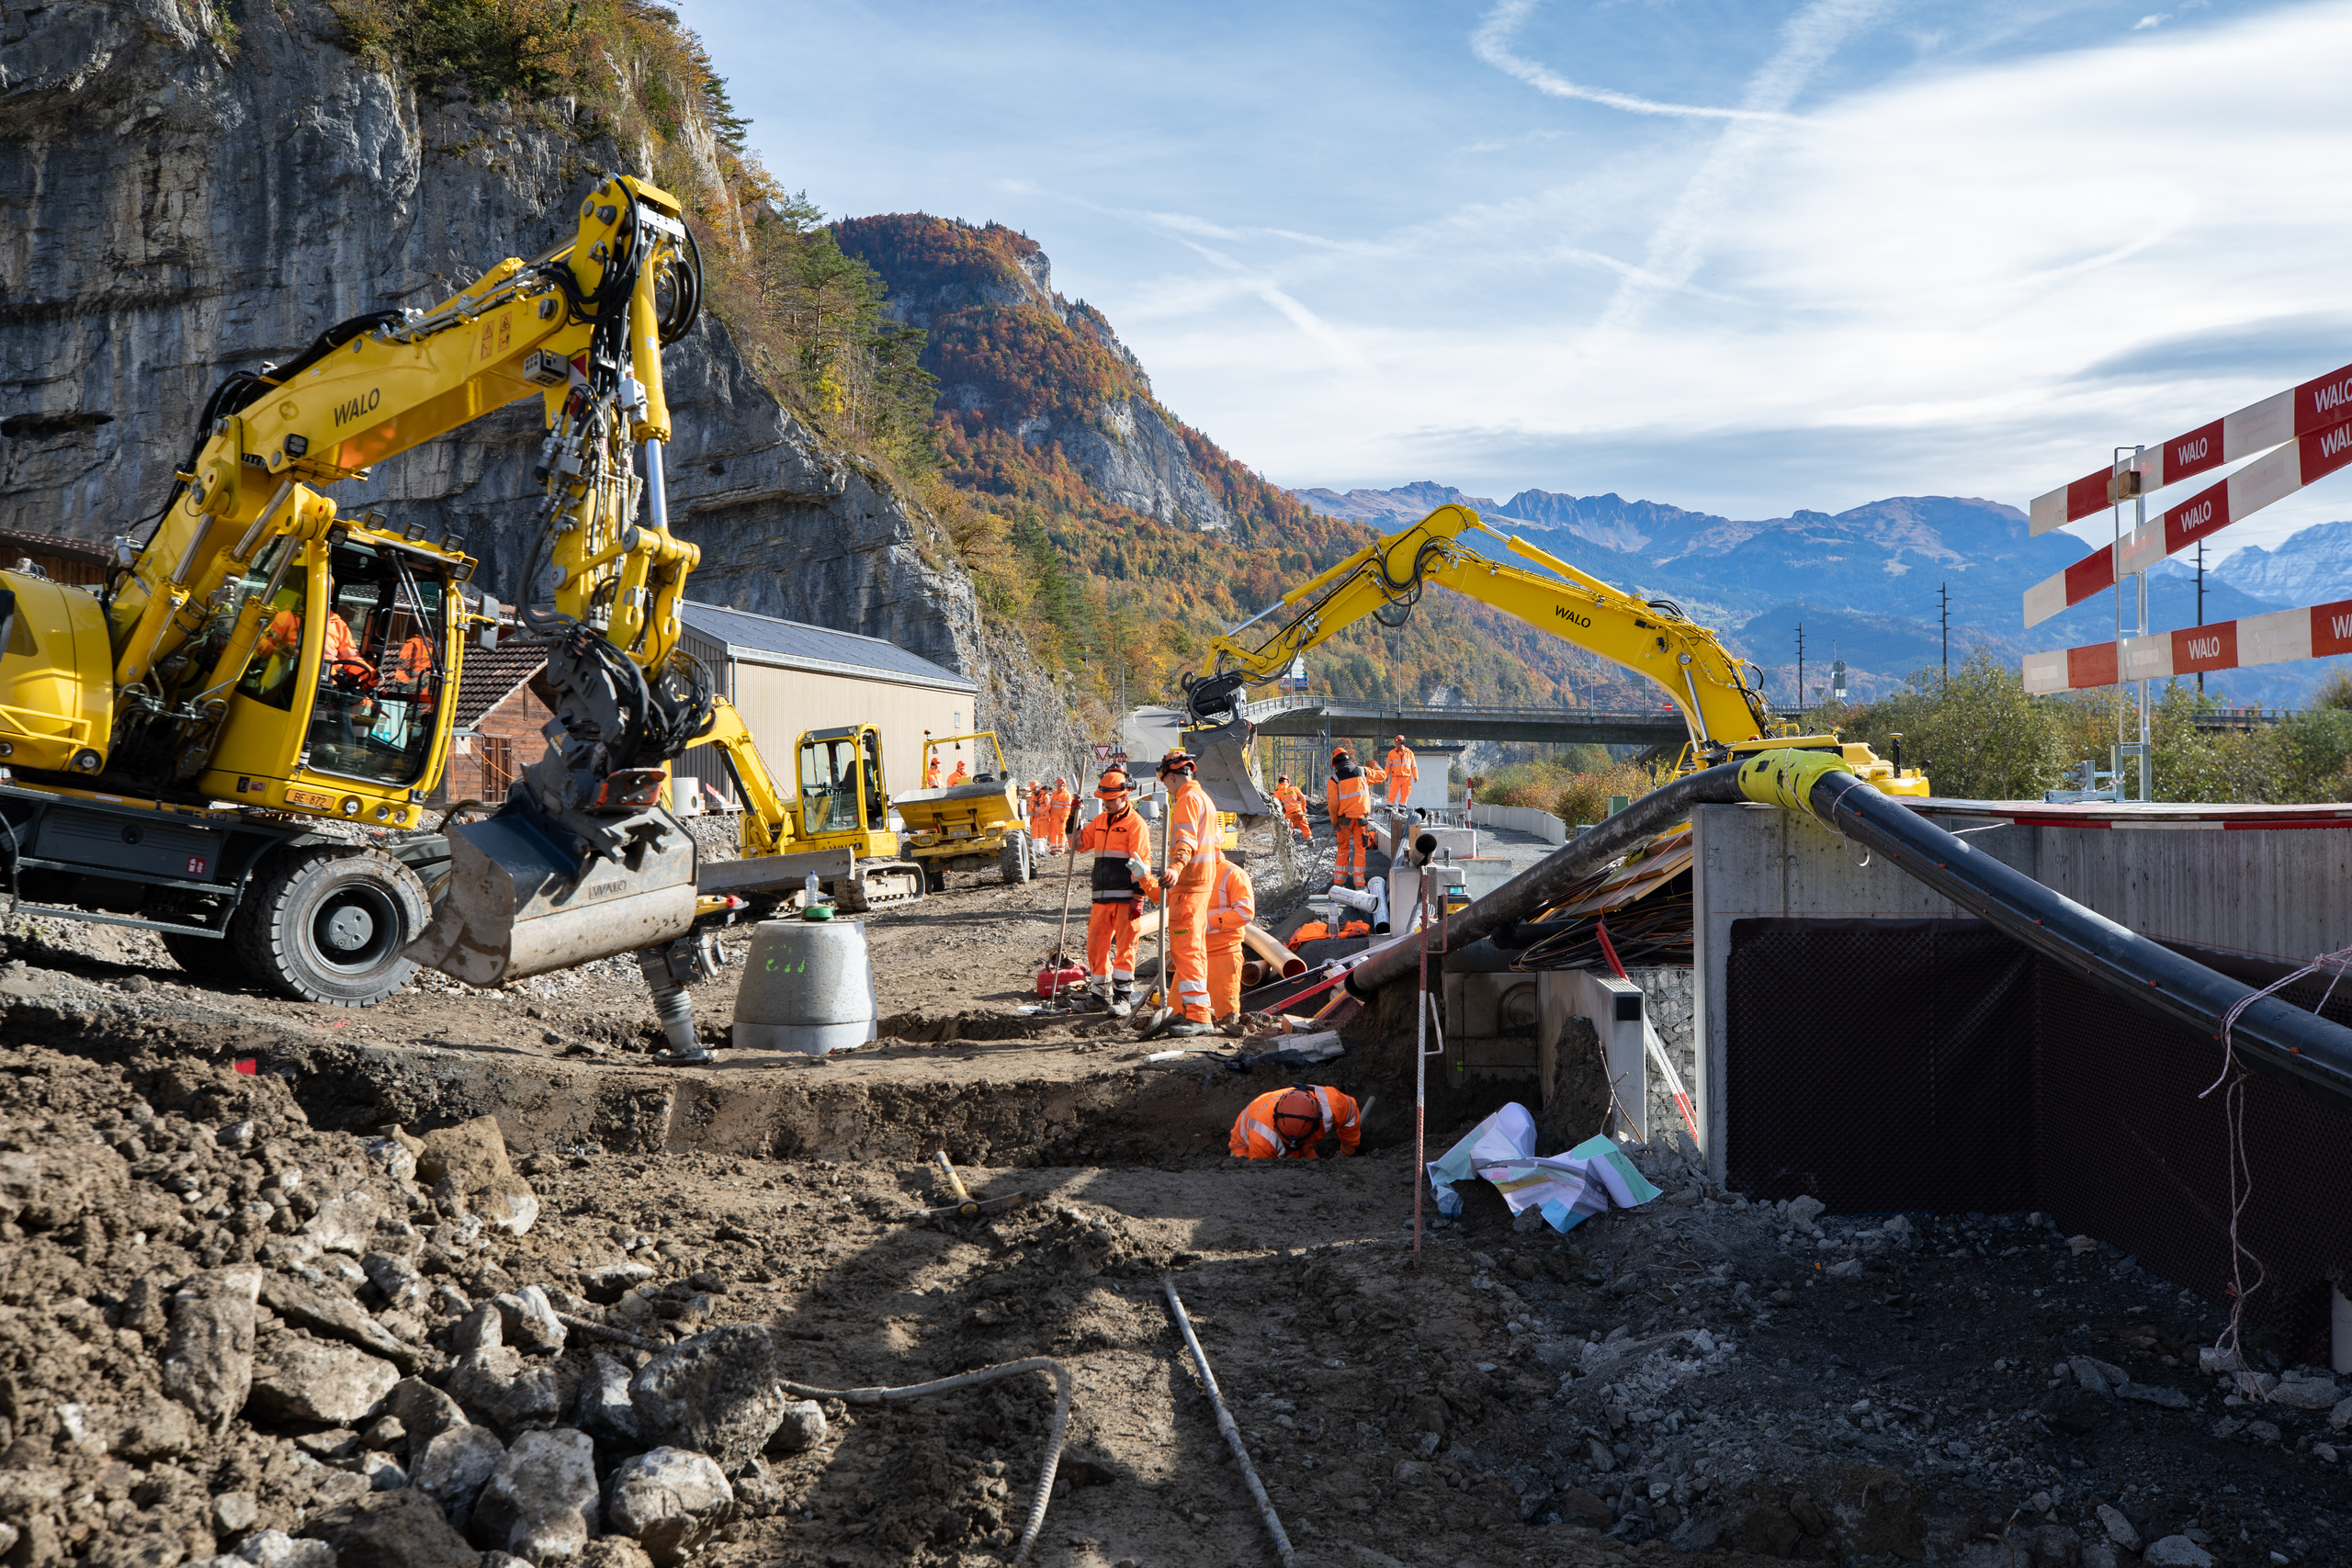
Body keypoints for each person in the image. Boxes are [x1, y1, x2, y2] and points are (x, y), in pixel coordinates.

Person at [1077, 768, 1157, 1016]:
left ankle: (1122, 998)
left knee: (1126, 947)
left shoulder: (1136, 825)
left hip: (1125, 898)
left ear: (1124, 797)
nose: (1106, 803)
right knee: (1096, 945)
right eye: (1103, 799)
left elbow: (1141, 864)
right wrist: (1072, 816)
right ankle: (1099, 995)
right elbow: (1078, 844)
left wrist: (1138, 897)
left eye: (1110, 800)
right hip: (1101, 898)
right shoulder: (1100, 822)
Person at [1156, 746, 1221, 1036]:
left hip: (1189, 886)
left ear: (1171, 776)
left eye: (1165, 782)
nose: (1167, 789)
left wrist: (1175, 868)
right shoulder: (1205, 799)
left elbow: (1185, 840)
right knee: (1194, 950)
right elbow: (1215, 845)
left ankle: (1198, 1016)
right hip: (1201, 884)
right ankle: (1194, 1010)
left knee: (1187, 951)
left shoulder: (1187, 800)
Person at [1229, 1085, 1363, 1159]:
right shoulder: (1263, 1137)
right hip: (1246, 1145)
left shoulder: (1332, 1105)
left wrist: (1346, 1152)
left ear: (1316, 1124)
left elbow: (1351, 1114)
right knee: (1244, 1174)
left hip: (1304, 1145)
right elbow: (1264, 1177)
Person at [1204, 855, 1256, 1031]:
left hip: (1224, 953)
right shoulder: (1190, 873)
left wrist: (1211, 922)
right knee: (1187, 1012)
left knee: (1227, 1017)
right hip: (1194, 954)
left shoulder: (1232, 873)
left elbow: (1245, 912)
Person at [1326, 746, 1374, 890]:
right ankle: (1360, 885)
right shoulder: (1363, 771)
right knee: (1360, 850)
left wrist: (1334, 822)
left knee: (1343, 849)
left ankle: (1339, 884)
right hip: (1361, 820)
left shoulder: (1334, 778)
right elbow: (1382, 775)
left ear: (1335, 762)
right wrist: (1374, 764)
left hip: (1344, 821)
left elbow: (1333, 804)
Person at [1384, 735, 1419, 808]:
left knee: (1405, 796)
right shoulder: (1391, 753)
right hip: (1396, 777)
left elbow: (1414, 766)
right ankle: (1388, 810)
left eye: (1399, 744)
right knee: (1392, 795)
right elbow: (1388, 766)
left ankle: (1401, 811)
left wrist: (1416, 776)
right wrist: (1386, 776)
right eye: (1396, 744)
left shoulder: (1410, 753)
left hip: (1406, 778)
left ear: (1403, 743)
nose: (1397, 746)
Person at [1272, 773, 1309, 839]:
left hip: (1289, 815)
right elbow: (1303, 798)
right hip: (1299, 812)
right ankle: (1310, 841)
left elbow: (1276, 804)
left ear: (1279, 782)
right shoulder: (1294, 788)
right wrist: (1303, 808)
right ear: (1288, 781)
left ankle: (1289, 845)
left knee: (1288, 831)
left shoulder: (1277, 792)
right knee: (1305, 828)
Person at [1046, 776, 1074, 854]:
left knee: (1061, 833)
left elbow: (1067, 808)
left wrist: (1063, 817)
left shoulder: (1067, 795)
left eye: (1060, 786)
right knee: (1052, 833)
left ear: (1064, 786)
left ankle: (1061, 849)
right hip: (1052, 818)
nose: (1058, 787)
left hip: (1060, 818)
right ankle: (1054, 849)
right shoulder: (1054, 794)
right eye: (1057, 786)